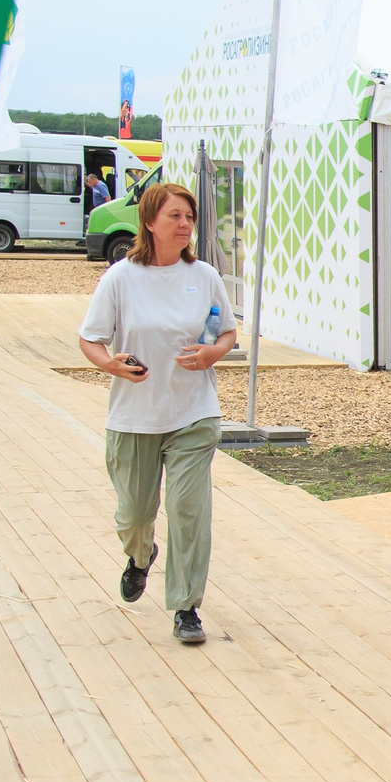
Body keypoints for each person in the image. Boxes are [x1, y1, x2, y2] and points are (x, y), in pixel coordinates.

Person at [77, 182, 239, 644]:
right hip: (134, 416)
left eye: (189, 216)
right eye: (175, 216)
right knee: (133, 513)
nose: (185, 224)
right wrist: (109, 363)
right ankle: (140, 555)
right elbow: (90, 339)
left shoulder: (204, 275)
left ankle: (186, 607)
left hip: (194, 411)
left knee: (189, 511)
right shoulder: (120, 278)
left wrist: (214, 354)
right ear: (150, 221)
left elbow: (226, 332)